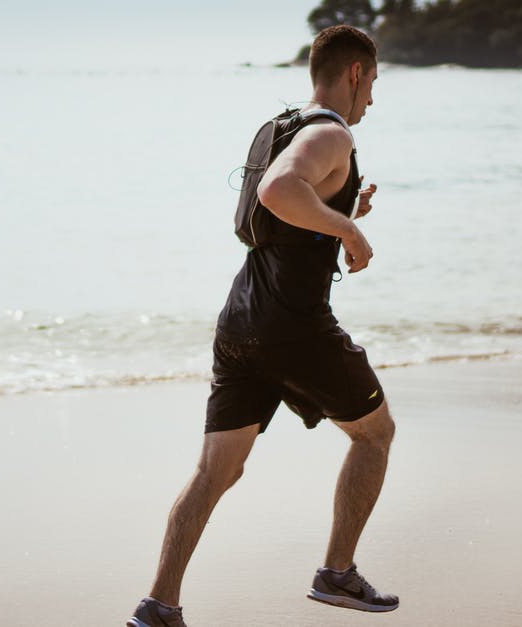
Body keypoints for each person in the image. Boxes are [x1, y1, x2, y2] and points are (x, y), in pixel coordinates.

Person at [126, 25, 398, 627]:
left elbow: (266, 221)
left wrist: (340, 211)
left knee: (215, 471)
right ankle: (337, 573)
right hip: (295, 327)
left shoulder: (277, 128)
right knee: (375, 434)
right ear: (355, 73)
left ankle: (158, 606)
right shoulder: (331, 133)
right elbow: (278, 192)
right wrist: (350, 230)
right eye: (373, 82)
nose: (373, 99)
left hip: (240, 322)